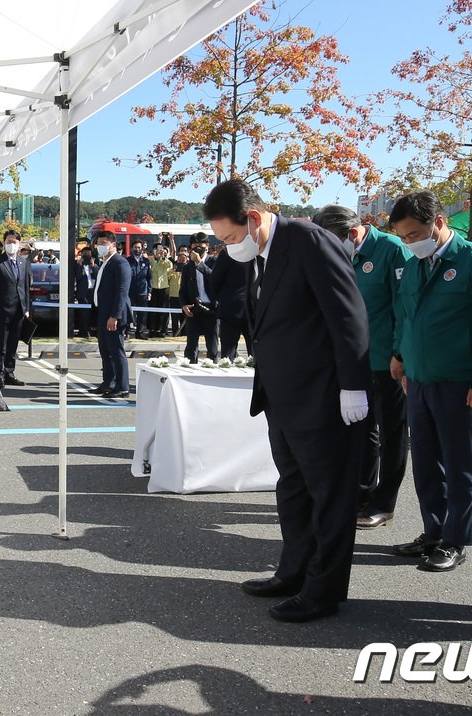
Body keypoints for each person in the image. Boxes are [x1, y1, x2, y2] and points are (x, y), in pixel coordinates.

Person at [206, 180, 371, 624]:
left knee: (329, 497)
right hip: (284, 397)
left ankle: (323, 590)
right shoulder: (259, 253)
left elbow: (347, 311)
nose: (228, 248)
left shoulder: (308, 240)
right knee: (293, 490)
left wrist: (353, 385)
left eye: (229, 238)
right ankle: (293, 571)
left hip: (323, 395)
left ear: (254, 219)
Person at [388, 191, 472, 572]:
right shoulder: (414, 264)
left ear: (438, 223)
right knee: (425, 463)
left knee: (458, 463)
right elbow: (406, 315)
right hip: (419, 379)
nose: (409, 243)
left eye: (413, 234)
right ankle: (433, 530)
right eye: (403, 237)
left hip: (459, 381)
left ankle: (455, 539)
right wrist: (400, 355)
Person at [311, 205, 413, 531]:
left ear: (353, 234)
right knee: (361, 430)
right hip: (354, 361)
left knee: (392, 434)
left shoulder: (391, 251)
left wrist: (400, 353)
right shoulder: (340, 253)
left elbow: (405, 308)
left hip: (388, 360)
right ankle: (362, 493)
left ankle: (385, 503)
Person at [91, 231, 132, 398]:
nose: (101, 246)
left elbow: (122, 291)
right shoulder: (105, 263)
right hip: (102, 313)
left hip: (114, 315)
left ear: (113, 244)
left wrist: (114, 316)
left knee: (116, 350)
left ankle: (122, 386)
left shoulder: (120, 263)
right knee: (105, 350)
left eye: (104, 242)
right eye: (99, 243)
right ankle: (108, 382)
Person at [0, 231, 31, 387]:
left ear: (19, 244)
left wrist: (26, 307)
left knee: (13, 343)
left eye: (14, 241)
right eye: (8, 241)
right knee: (1, 345)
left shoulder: (23, 262)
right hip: (2, 310)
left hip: (19, 310)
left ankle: (9, 372)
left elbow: (25, 286)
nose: (11, 244)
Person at [208, 244, 251, 361]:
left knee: (227, 356)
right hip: (254, 308)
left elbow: (215, 280)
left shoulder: (229, 252)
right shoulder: (259, 251)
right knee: (257, 354)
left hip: (230, 307)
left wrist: (223, 297)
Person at [178, 239, 217, 363]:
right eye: (194, 245)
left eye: (200, 244)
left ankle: (213, 371)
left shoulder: (214, 261)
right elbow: (183, 289)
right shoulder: (188, 267)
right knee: (191, 346)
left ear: (207, 246)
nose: (197, 247)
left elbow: (215, 279)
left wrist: (200, 263)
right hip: (194, 308)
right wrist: (184, 305)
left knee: (212, 345)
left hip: (211, 309)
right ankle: (189, 371)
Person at [128, 243, 153, 338]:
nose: (137, 249)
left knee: (142, 313)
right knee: (128, 312)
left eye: (139, 247)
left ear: (142, 249)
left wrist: (149, 291)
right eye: (135, 247)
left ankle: (140, 332)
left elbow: (149, 277)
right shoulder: (127, 260)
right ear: (132, 248)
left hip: (142, 290)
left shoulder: (146, 261)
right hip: (130, 291)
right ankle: (127, 332)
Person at [149, 245, 174, 337]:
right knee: (153, 311)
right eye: (157, 250)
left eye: (161, 251)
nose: (159, 252)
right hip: (153, 288)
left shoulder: (166, 261)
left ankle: (163, 330)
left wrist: (163, 257)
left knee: (164, 311)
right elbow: (152, 268)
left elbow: (169, 266)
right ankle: (152, 329)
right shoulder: (151, 260)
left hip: (163, 288)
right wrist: (156, 258)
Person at [73, 247, 97, 339]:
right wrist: (79, 265)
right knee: (84, 313)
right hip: (82, 292)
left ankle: (90, 329)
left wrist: (93, 266)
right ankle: (83, 331)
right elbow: (78, 277)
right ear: (81, 254)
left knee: (91, 312)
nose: (87, 255)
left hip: (92, 291)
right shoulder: (78, 264)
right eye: (85, 253)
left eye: (89, 254)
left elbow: (97, 275)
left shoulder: (93, 263)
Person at [167, 248, 188, 337]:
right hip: (173, 296)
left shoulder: (189, 268)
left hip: (185, 297)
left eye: (183, 258)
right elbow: (167, 278)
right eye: (180, 258)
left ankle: (184, 334)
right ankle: (175, 334)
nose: (181, 259)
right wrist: (173, 270)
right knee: (174, 317)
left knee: (183, 317)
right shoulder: (173, 268)